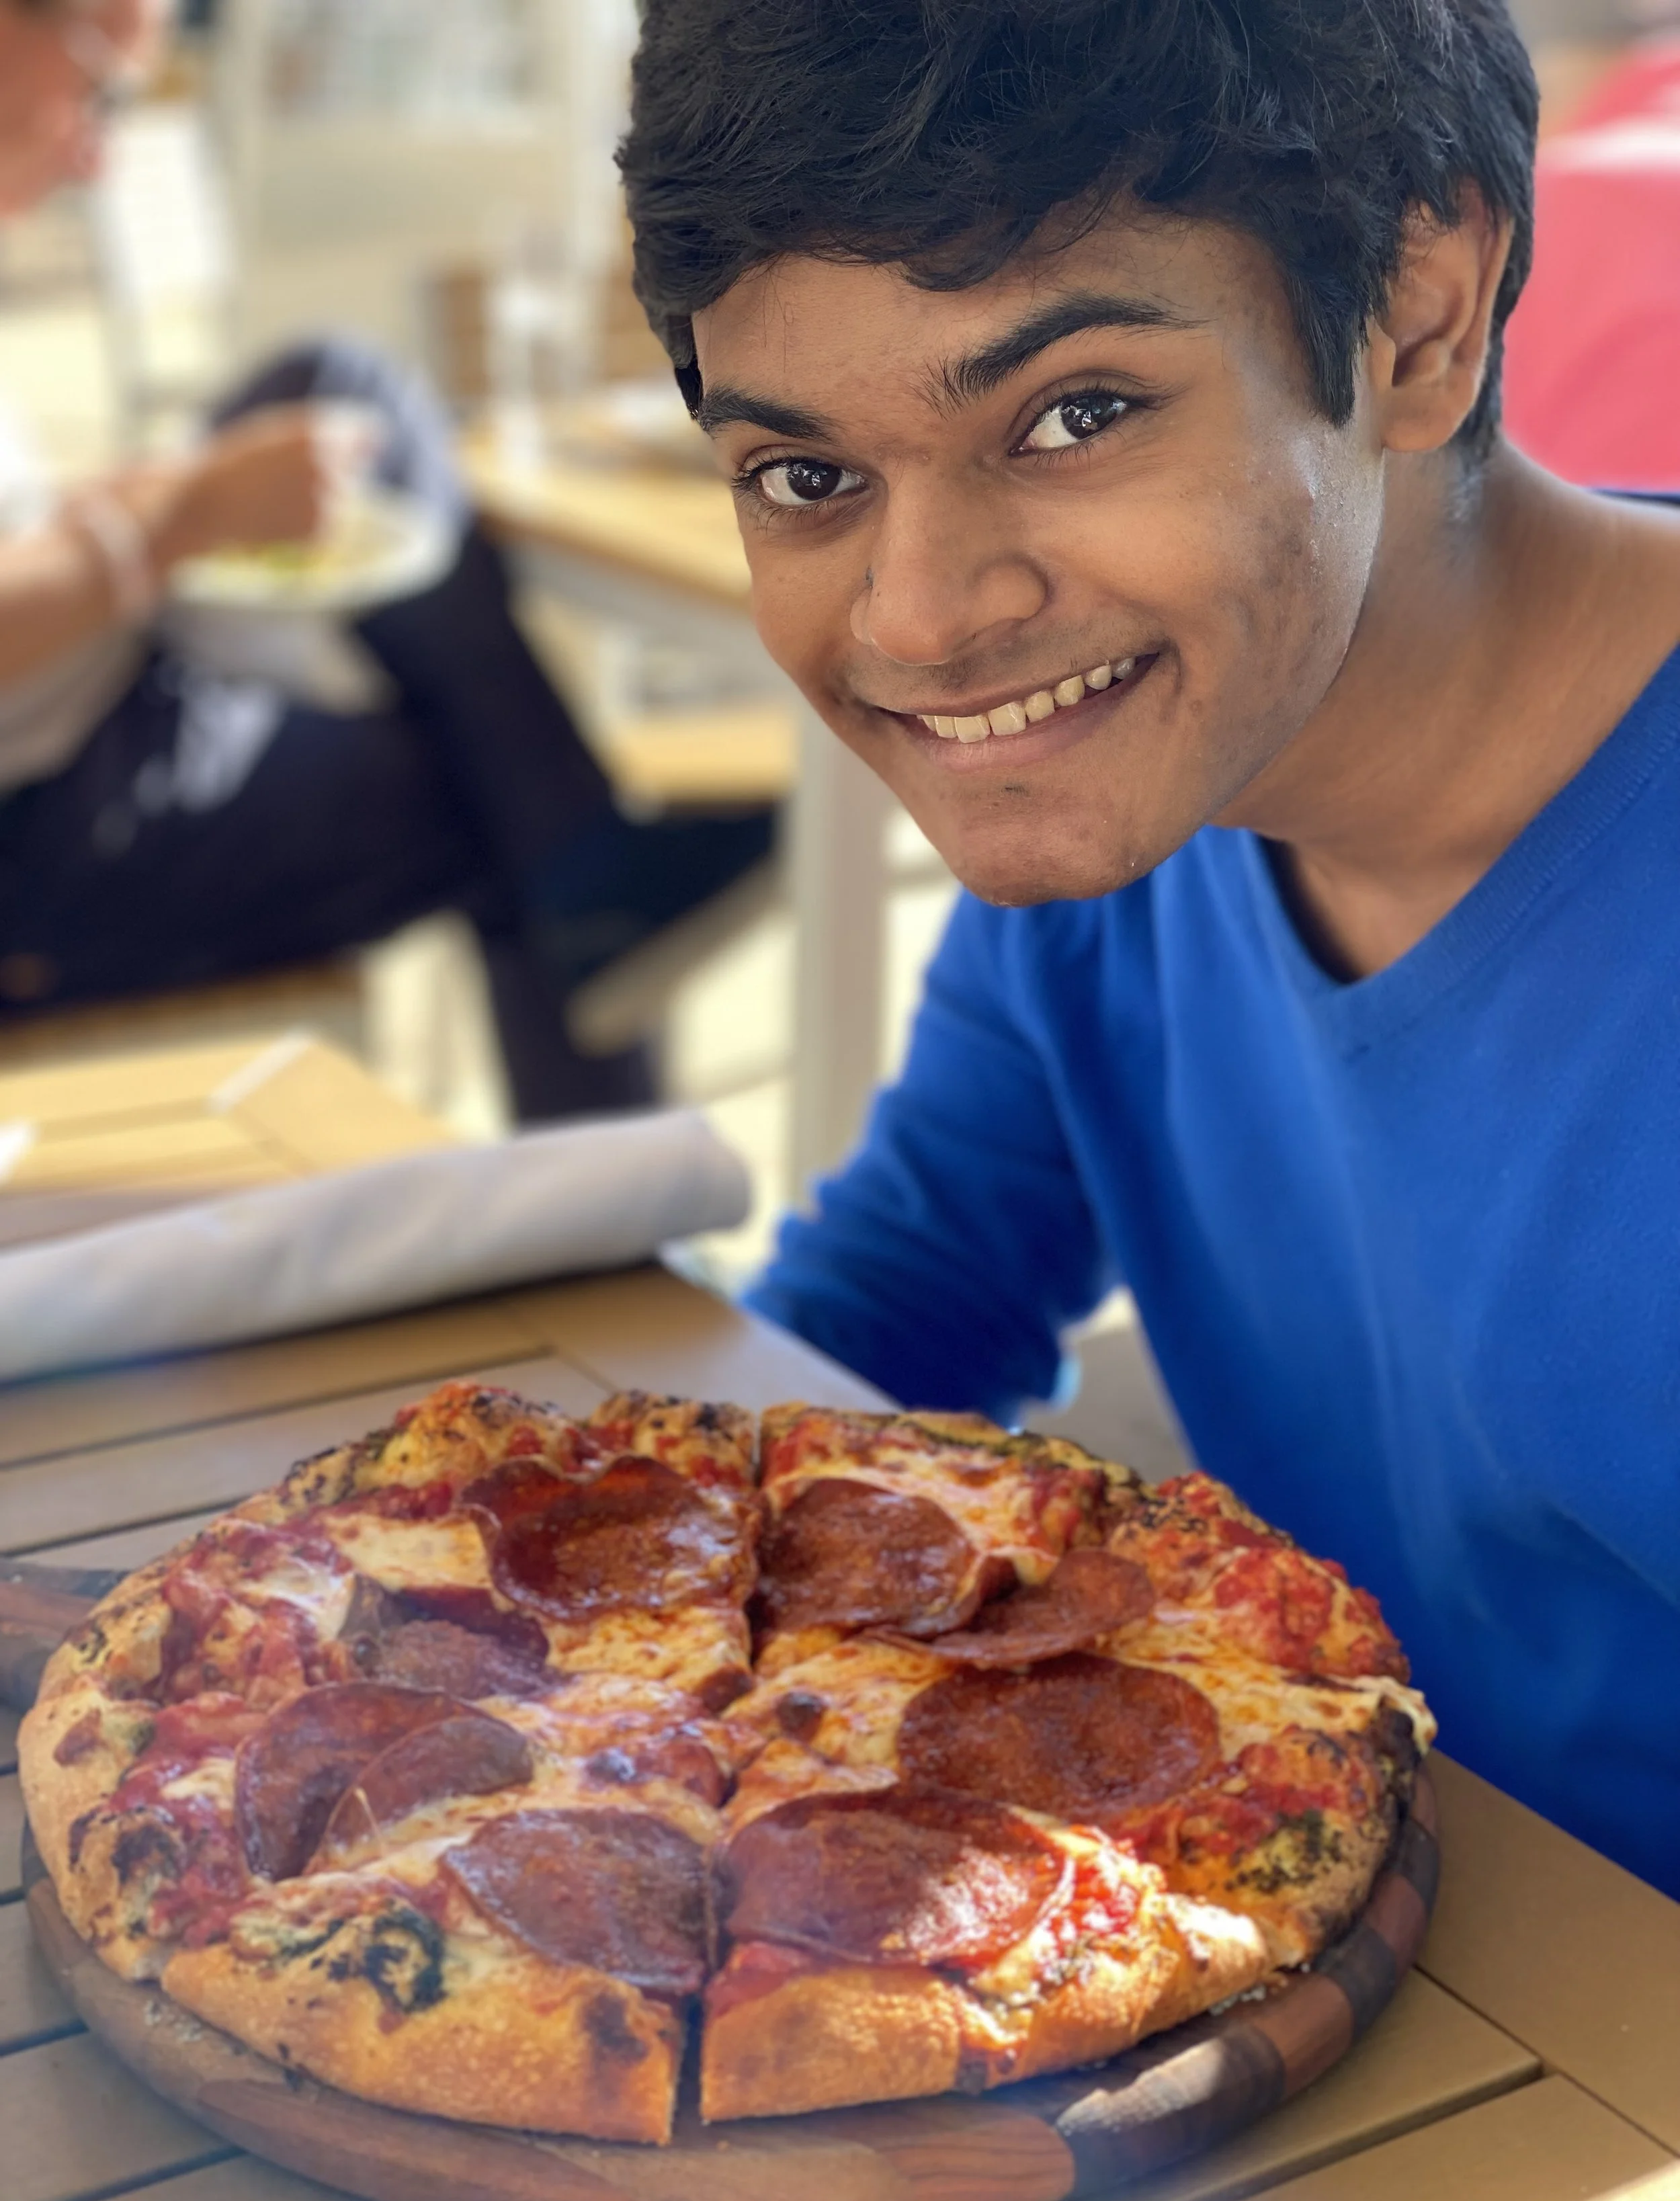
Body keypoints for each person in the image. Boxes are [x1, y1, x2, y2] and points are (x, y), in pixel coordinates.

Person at [620, 0, 1680, 1897]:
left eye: (1075, 415)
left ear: (1418, 315)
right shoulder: (1146, 792)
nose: (926, 619)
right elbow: (894, 1328)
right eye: (804, 477)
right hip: (1369, 1975)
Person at [0, 0, 772, 1119]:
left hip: (94, 739)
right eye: (102, 88)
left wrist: (125, 505)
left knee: (341, 383)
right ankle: (610, 1186)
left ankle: (592, 897)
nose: (97, 151)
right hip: (44, 843)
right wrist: (170, 522)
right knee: (494, 798)